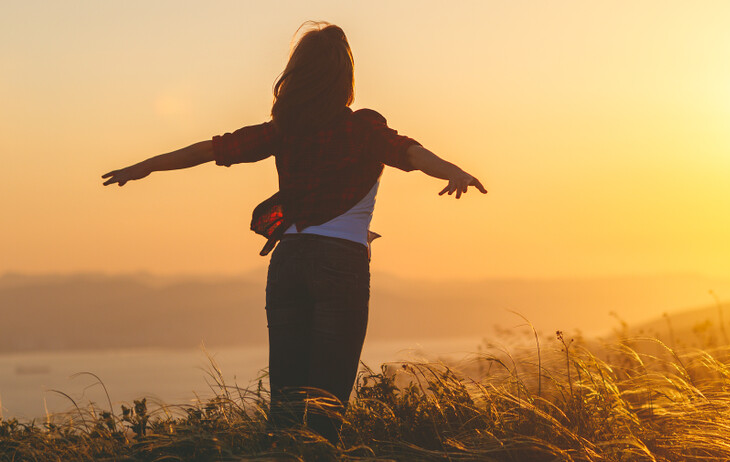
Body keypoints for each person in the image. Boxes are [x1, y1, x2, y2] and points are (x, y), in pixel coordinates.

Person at [101, 22, 486, 441]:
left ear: (298, 74)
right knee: (326, 413)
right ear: (345, 77)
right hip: (341, 266)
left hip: (288, 262)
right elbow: (410, 153)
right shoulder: (362, 129)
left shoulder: (284, 129)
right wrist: (453, 171)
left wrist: (146, 166)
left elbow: (213, 149)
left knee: (284, 412)